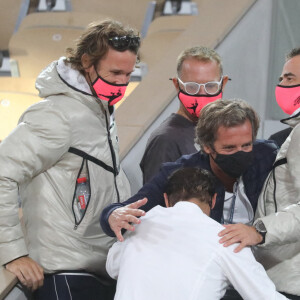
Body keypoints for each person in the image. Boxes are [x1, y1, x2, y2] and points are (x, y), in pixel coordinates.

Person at [0, 19, 140, 299]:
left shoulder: (99, 109)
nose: (122, 83)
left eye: (128, 74)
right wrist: (13, 253)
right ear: (87, 62)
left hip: (100, 269)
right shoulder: (56, 114)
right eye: (115, 73)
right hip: (65, 275)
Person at [100, 99, 278, 248]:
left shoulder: (267, 156)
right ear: (207, 147)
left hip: (262, 261)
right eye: (229, 148)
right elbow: (125, 210)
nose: (241, 153)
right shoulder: (181, 172)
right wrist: (113, 215)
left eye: (246, 145)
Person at [106, 167, 286, 300]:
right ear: (214, 200)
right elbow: (264, 296)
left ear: (167, 199)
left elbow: (112, 267)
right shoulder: (226, 238)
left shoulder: (140, 224)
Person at [140, 46, 229, 184]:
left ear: (222, 84)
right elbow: (154, 202)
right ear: (177, 85)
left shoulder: (215, 133)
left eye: (210, 86)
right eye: (192, 87)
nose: (202, 94)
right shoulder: (165, 140)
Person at [254, 47, 300, 299]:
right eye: (282, 78)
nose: (282, 84)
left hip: (289, 280)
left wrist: (260, 231)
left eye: (290, 78)